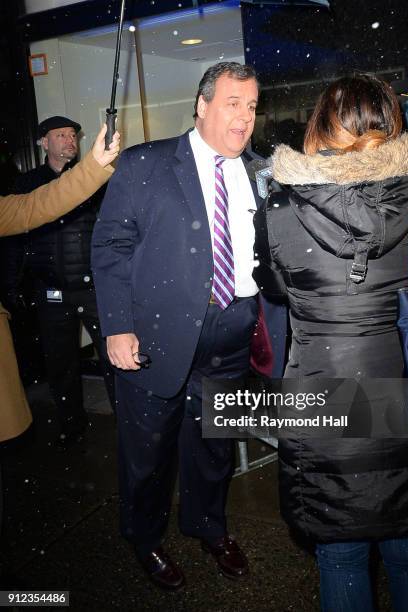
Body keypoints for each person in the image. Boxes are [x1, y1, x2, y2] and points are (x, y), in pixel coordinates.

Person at [253, 74, 408, 611]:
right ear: (391, 123)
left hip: (325, 396)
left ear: (320, 125)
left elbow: (273, 287)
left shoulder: (279, 208)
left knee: (339, 556)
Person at [91, 62, 286, 591]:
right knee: (147, 453)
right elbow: (110, 246)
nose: (245, 117)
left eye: (251, 105)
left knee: (212, 448)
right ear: (201, 106)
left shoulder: (262, 172)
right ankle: (143, 536)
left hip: (232, 334)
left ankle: (208, 526)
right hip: (154, 337)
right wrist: (117, 325)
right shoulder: (145, 165)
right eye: (232, 103)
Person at [0, 124, 119, 446]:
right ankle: (71, 426)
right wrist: (10, 285)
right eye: (61, 136)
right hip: (50, 289)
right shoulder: (26, 186)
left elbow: (114, 229)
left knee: (114, 359)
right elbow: (13, 240)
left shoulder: (98, 179)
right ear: (43, 142)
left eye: (73, 136)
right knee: (60, 363)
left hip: (94, 287)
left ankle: (126, 425)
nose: (70, 141)